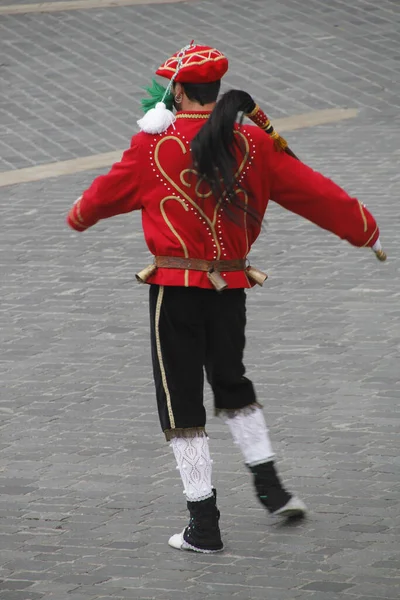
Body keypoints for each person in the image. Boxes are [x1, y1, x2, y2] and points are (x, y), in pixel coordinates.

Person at [67, 42, 386, 554]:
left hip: (175, 291)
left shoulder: (153, 144)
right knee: (232, 381)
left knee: (180, 400)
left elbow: (101, 198)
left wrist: (79, 214)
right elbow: (315, 192)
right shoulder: (255, 142)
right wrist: (364, 229)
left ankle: (204, 524)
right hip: (231, 289)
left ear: (176, 90)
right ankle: (273, 491)